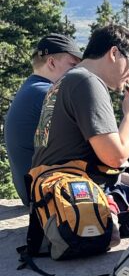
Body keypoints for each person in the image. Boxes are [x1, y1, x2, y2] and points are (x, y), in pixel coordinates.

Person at [32, 23, 129, 187]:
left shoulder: (66, 81)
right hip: (75, 197)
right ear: (114, 53)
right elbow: (115, 157)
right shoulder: (87, 82)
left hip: (54, 191)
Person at [4, 33, 82, 204]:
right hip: (46, 195)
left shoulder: (32, 89)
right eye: (73, 65)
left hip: (35, 191)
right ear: (51, 62)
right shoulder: (45, 95)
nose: (78, 71)